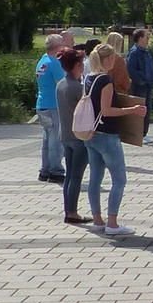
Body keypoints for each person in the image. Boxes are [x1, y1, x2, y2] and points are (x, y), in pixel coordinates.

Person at [85, 43, 146, 237]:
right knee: (119, 179)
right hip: (107, 135)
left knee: (95, 178)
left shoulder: (89, 77)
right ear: (109, 59)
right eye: (114, 58)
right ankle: (112, 223)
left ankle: (97, 220)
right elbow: (107, 110)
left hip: (91, 134)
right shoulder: (106, 81)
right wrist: (133, 110)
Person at [56, 48, 90, 226]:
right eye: (82, 63)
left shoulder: (61, 83)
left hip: (65, 135)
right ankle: (72, 212)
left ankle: (68, 209)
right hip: (78, 137)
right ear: (77, 65)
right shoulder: (77, 87)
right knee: (76, 176)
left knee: (69, 175)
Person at [34, 34, 65, 182]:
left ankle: (45, 170)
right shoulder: (54, 63)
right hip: (54, 105)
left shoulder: (42, 61)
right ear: (57, 47)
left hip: (42, 104)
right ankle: (55, 171)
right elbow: (62, 83)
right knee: (56, 140)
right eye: (62, 44)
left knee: (47, 138)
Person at [127, 28, 153, 133]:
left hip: (148, 84)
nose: (148, 39)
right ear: (140, 38)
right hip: (140, 86)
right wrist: (141, 80)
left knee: (147, 109)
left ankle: (144, 133)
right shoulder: (134, 52)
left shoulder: (146, 52)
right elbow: (131, 69)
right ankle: (138, 132)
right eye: (146, 37)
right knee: (140, 109)